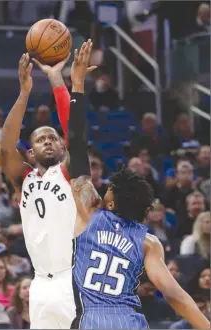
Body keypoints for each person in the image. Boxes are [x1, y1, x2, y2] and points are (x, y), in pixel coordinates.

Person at [67, 64, 210, 330]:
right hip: (130, 322)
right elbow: (174, 295)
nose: (102, 191)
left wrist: (77, 85)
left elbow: (76, 146)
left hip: (91, 320)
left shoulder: (89, 214)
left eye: (107, 189)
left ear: (110, 202)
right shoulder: (149, 242)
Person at [1, 40, 96, 329]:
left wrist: (61, 82)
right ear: (30, 154)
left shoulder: (69, 173)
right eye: (40, 139)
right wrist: (24, 93)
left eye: (53, 138)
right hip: (40, 283)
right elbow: (6, 146)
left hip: (73, 277)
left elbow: (76, 135)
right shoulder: (23, 179)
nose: (47, 141)